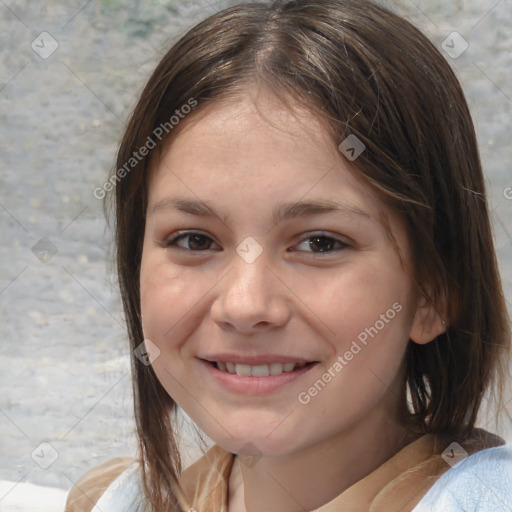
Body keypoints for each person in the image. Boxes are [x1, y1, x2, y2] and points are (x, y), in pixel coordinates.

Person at [66, 0, 512, 510]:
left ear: (435, 289)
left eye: (320, 243)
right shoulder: (119, 502)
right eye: (195, 240)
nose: (244, 305)